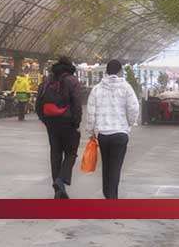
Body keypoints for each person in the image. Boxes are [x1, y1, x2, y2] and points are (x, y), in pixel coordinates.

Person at [86, 60, 140, 199]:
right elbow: (134, 108)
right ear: (120, 71)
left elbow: (91, 111)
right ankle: (112, 197)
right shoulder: (126, 87)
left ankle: (107, 194)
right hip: (120, 133)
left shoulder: (97, 89)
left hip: (103, 134)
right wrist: (129, 123)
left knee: (106, 165)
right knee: (116, 166)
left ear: (106, 72)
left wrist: (91, 130)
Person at [35, 56, 83, 199]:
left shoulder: (47, 81)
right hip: (67, 123)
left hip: (51, 123)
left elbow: (38, 104)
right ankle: (60, 180)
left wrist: (45, 120)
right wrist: (76, 122)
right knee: (71, 152)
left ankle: (58, 191)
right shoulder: (72, 81)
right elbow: (77, 104)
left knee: (55, 153)